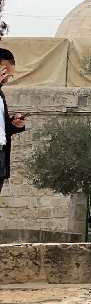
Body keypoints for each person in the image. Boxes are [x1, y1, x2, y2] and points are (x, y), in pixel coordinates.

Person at [0, 49, 27, 196]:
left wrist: (14, 124)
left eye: (9, 76)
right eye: (5, 74)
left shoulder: (1, 95)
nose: (6, 80)